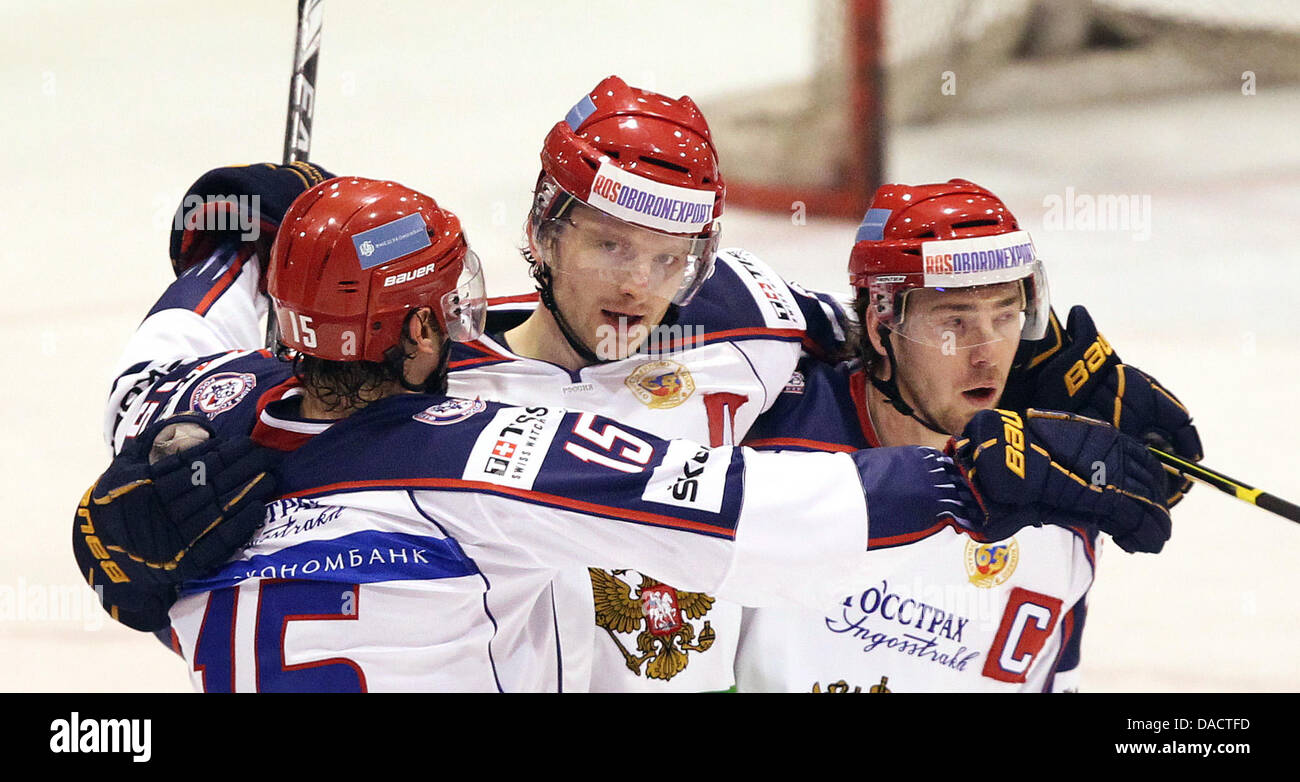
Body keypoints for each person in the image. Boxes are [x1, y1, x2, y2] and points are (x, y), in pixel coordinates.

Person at [75, 175, 1173, 691]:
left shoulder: (188, 409)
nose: (472, 317)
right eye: (448, 305)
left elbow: (168, 331)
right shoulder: (487, 452)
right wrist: (977, 483)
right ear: (418, 323)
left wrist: (236, 243)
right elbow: (765, 515)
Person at [735, 179, 1202, 692]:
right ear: (879, 326)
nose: (987, 353)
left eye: (1005, 316)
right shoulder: (763, 428)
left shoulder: (1059, 493)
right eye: (954, 323)